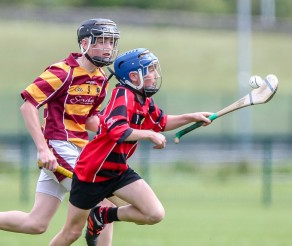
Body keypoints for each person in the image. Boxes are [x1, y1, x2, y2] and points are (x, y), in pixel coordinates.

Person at [49, 48, 213, 245]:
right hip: (92, 173)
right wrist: (149, 134)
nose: (155, 74)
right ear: (134, 76)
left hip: (117, 171)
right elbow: (117, 131)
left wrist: (191, 117)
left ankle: (101, 216)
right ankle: (98, 216)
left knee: (154, 213)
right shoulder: (123, 95)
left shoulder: (143, 98)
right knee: (71, 233)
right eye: (150, 70)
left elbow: (160, 122)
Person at [0, 18, 121, 246]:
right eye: (101, 41)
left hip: (78, 149)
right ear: (84, 43)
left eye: (111, 42)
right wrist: (43, 150)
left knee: (35, 224)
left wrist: (120, 129)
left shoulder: (101, 78)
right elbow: (28, 106)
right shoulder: (62, 72)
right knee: (104, 205)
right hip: (58, 146)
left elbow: (89, 119)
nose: (108, 47)